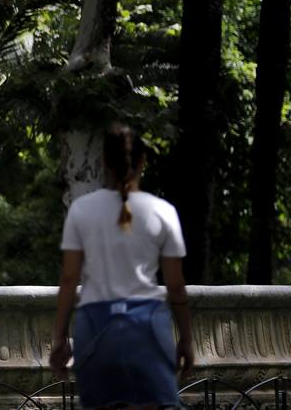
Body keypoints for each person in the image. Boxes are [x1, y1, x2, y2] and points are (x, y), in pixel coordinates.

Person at [49, 124, 195, 407]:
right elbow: (176, 286)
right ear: (142, 162)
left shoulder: (81, 210)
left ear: (104, 161)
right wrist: (186, 339)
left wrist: (59, 339)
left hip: (95, 326)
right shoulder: (163, 212)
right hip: (147, 325)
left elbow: (69, 279)